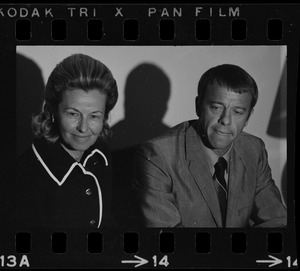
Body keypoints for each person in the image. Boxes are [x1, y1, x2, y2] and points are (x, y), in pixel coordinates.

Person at [133, 64, 287, 228]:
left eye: (238, 112)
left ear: (248, 117)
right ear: (198, 106)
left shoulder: (254, 149)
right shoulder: (158, 155)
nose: (226, 120)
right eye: (216, 107)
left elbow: (277, 221)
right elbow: (170, 242)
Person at [15, 54, 118, 229]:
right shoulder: (23, 177)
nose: (83, 128)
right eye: (73, 114)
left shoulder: (102, 155)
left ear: (104, 117)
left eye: (94, 116)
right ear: (52, 112)